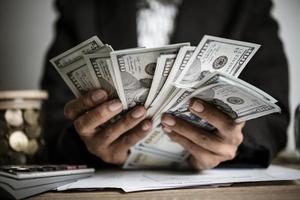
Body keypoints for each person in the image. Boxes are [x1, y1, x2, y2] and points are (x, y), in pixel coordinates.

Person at [41, 0, 290, 169]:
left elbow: (273, 113)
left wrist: (233, 145)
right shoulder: (80, 6)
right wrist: (86, 144)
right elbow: (55, 118)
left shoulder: (245, 5)